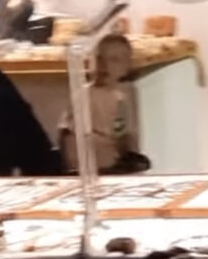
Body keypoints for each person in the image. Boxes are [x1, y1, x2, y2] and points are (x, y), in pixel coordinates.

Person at [60, 34, 149, 174]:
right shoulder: (85, 96)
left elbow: (122, 132)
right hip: (96, 166)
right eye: (101, 59)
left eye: (117, 60)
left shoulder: (120, 96)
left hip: (108, 164)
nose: (106, 66)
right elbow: (68, 136)